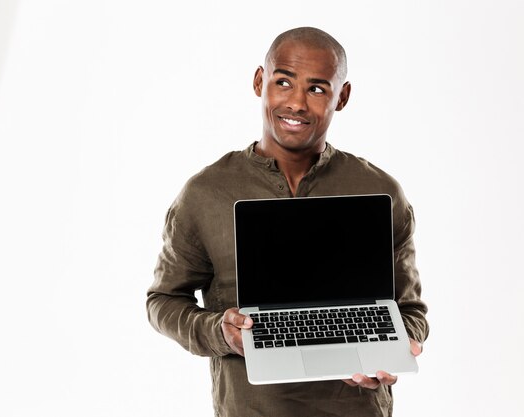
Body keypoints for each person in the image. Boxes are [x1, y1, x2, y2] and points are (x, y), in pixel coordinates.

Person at [147, 26, 429, 417]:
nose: (297, 103)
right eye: (283, 82)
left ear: (342, 97)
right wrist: (220, 333)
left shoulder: (379, 191)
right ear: (260, 81)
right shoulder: (206, 193)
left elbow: (410, 310)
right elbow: (163, 300)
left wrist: (396, 347)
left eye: (317, 89)